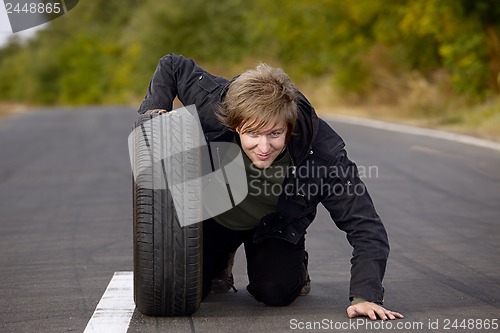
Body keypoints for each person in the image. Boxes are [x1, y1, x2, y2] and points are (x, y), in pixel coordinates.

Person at [138, 53, 403, 321]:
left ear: (290, 128)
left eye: (275, 134)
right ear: (235, 123)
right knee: (191, 289)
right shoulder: (215, 103)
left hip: (272, 227)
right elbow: (172, 65)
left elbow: (366, 226)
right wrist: (153, 115)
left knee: (276, 293)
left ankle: (297, 267)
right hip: (213, 216)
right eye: (252, 134)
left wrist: (365, 295)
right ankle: (219, 263)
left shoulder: (325, 156)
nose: (264, 148)